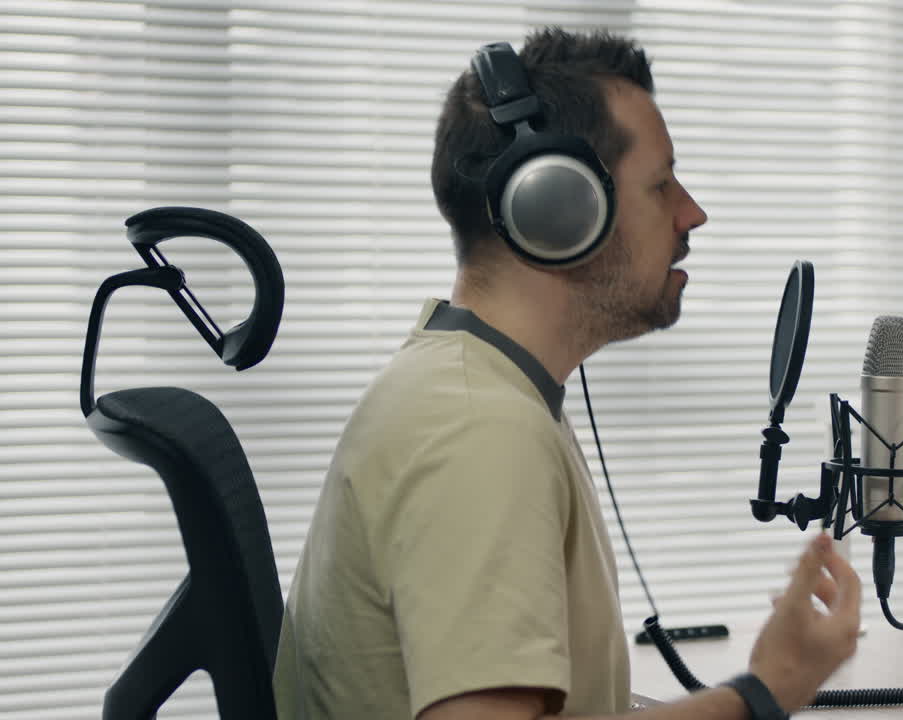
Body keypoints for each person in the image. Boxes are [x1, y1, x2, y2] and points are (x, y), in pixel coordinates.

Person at [273, 26, 863, 720]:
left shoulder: (481, 392)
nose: (692, 213)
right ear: (560, 210)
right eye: (661, 184)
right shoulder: (479, 429)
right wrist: (767, 690)